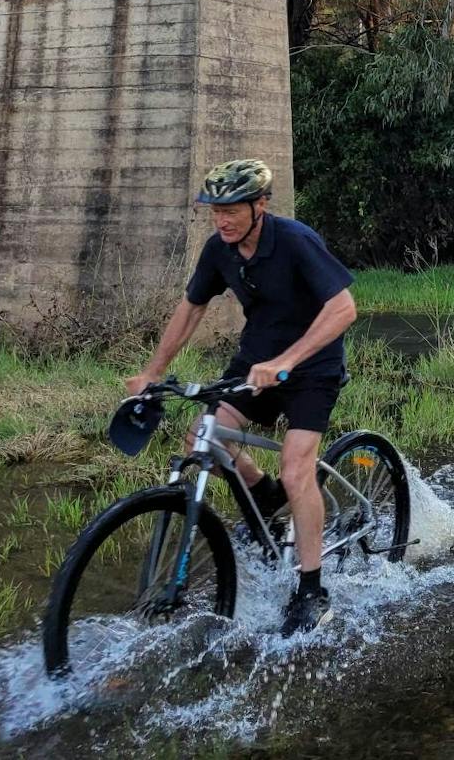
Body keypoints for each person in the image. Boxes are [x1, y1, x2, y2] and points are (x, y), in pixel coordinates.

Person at [125, 159, 358, 638]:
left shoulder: (294, 241)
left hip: (312, 367)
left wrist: (287, 361)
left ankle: (312, 590)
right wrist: (153, 372)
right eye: (215, 211)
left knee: (297, 468)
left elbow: (343, 307)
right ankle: (262, 492)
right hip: (254, 363)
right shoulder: (219, 250)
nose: (223, 219)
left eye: (232, 209)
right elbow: (191, 308)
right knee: (203, 438)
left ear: (260, 205)